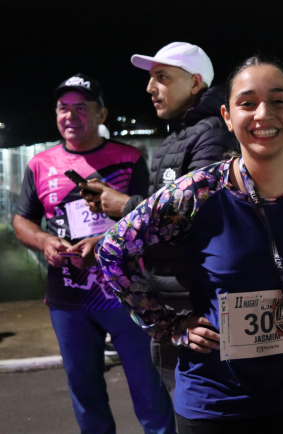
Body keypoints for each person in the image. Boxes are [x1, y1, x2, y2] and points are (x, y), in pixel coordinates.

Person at [96, 55, 283, 434]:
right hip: (213, 401)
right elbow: (113, 250)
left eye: (278, 101)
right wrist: (166, 325)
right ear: (228, 117)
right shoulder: (196, 193)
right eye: (247, 103)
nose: (263, 114)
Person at [13, 74, 175, 434]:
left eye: (81, 108)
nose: (70, 116)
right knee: (85, 393)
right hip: (68, 300)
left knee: (149, 391)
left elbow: (147, 220)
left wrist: (102, 245)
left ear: (102, 114)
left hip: (126, 295)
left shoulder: (129, 158)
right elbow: (22, 219)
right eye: (63, 108)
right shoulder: (40, 163)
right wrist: (44, 241)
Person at [82, 42, 236, 390]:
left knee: (205, 403)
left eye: (162, 77)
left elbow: (198, 218)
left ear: (195, 83)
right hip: (171, 302)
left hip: (200, 307)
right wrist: (111, 228)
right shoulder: (177, 137)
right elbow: (158, 215)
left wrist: (124, 206)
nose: (150, 88)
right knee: (179, 402)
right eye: (151, 78)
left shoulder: (213, 133)